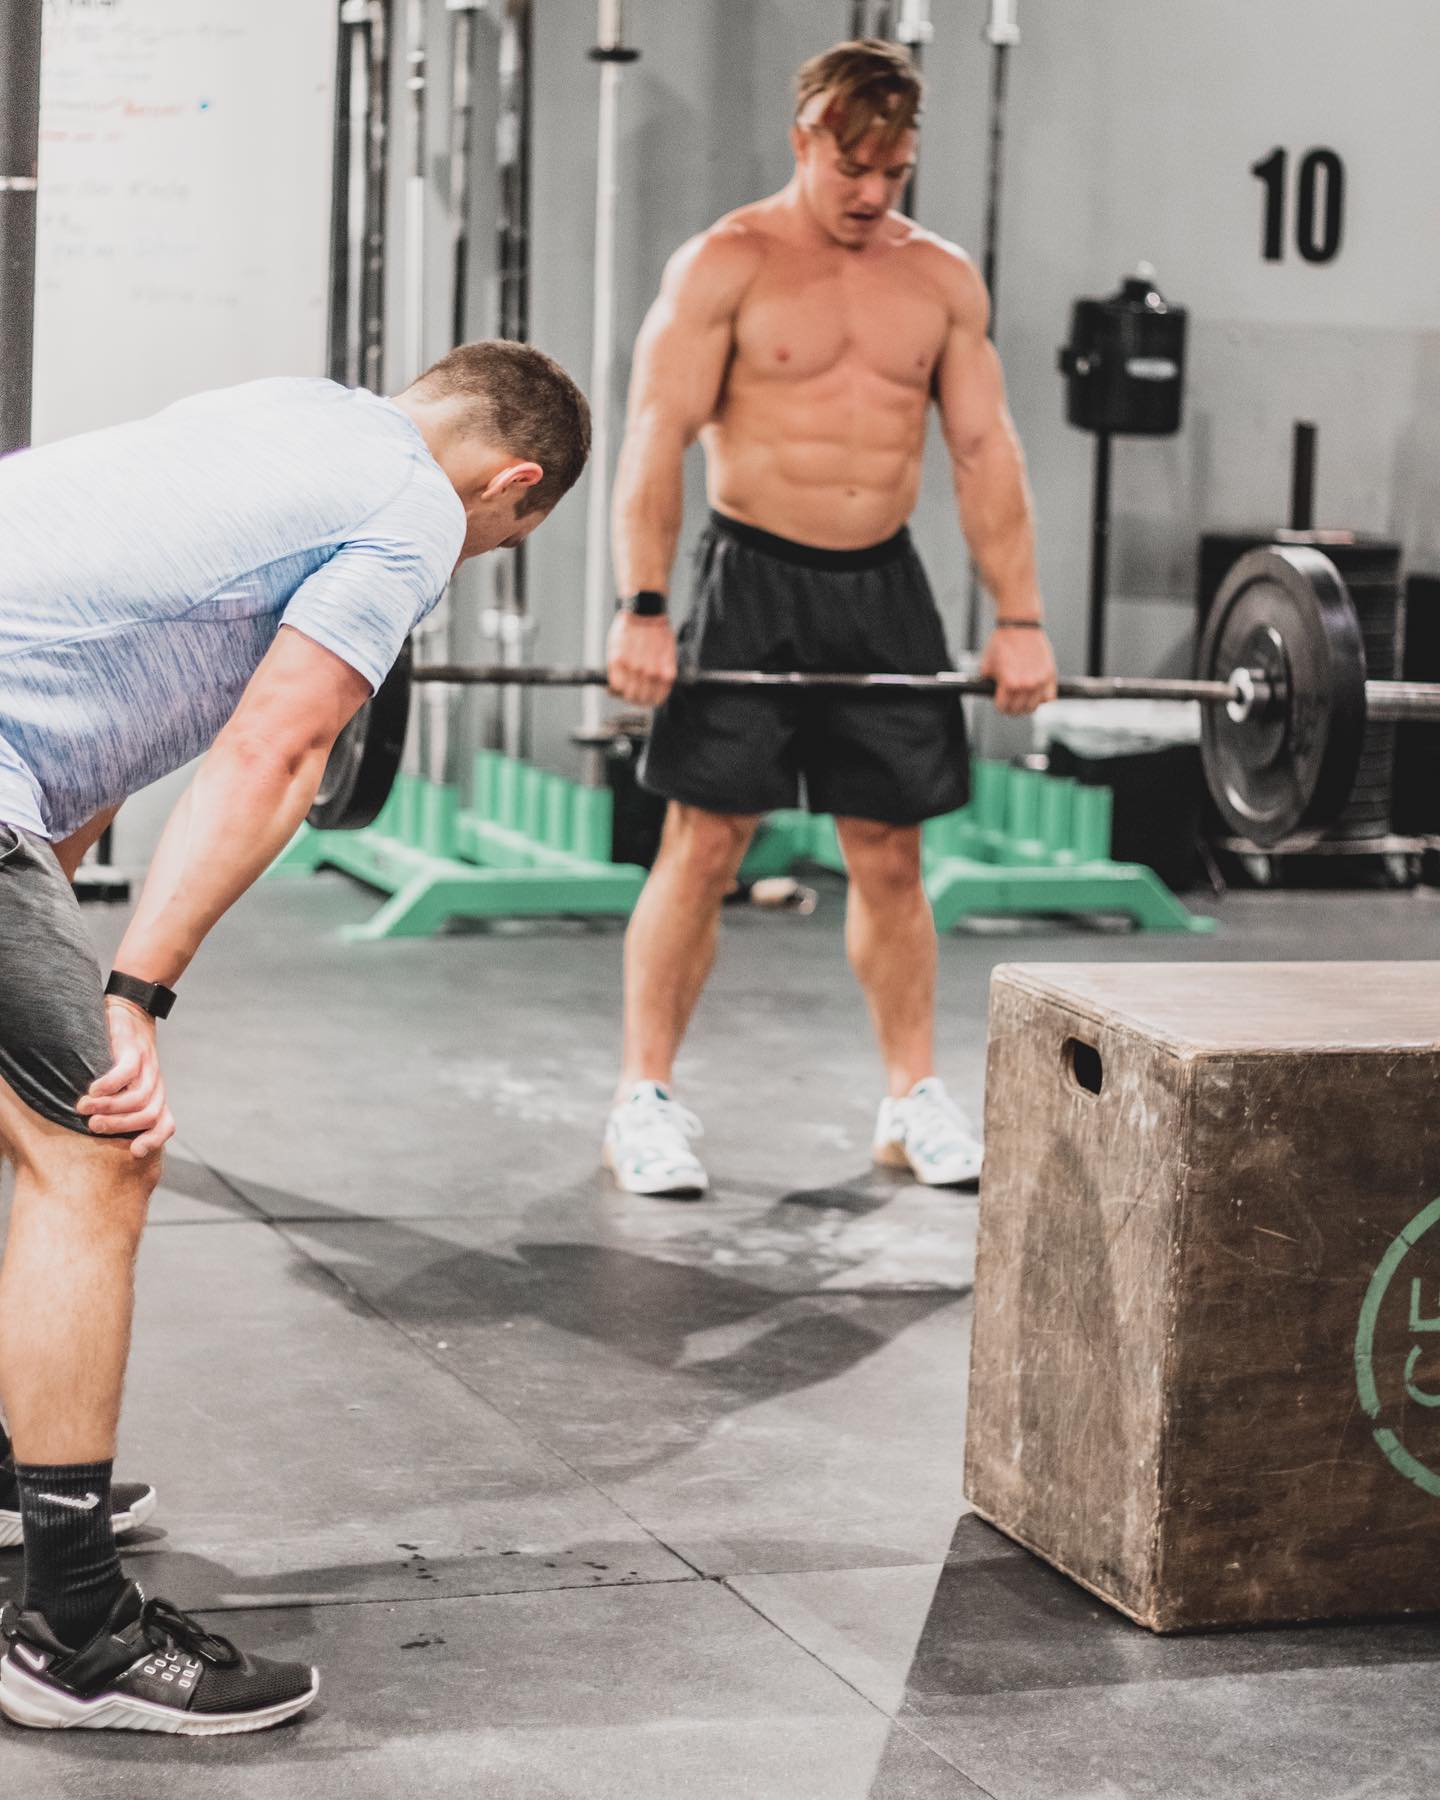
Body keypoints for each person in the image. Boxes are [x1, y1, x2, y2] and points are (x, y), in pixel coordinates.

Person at [0, 341, 589, 1734]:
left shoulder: (278, 416)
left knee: (25, 1106)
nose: (474, 558)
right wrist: (135, 994)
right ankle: (73, 1632)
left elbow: (100, 696)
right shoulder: (413, 511)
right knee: (98, 1149)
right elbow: (276, 750)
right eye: (507, 540)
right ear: (511, 484)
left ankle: (26, 1468)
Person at [602, 39, 1057, 1198]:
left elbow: (983, 449)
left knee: (891, 853)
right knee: (705, 843)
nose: (871, 193)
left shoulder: (940, 278)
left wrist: (1021, 616)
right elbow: (656, 435)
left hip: (882, 587)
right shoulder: (727, 261)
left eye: (893, 173)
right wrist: (643, 605)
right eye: (853, 168)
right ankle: (642, 1098)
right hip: (749, 576)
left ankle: (911, 1099)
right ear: (805, 137)